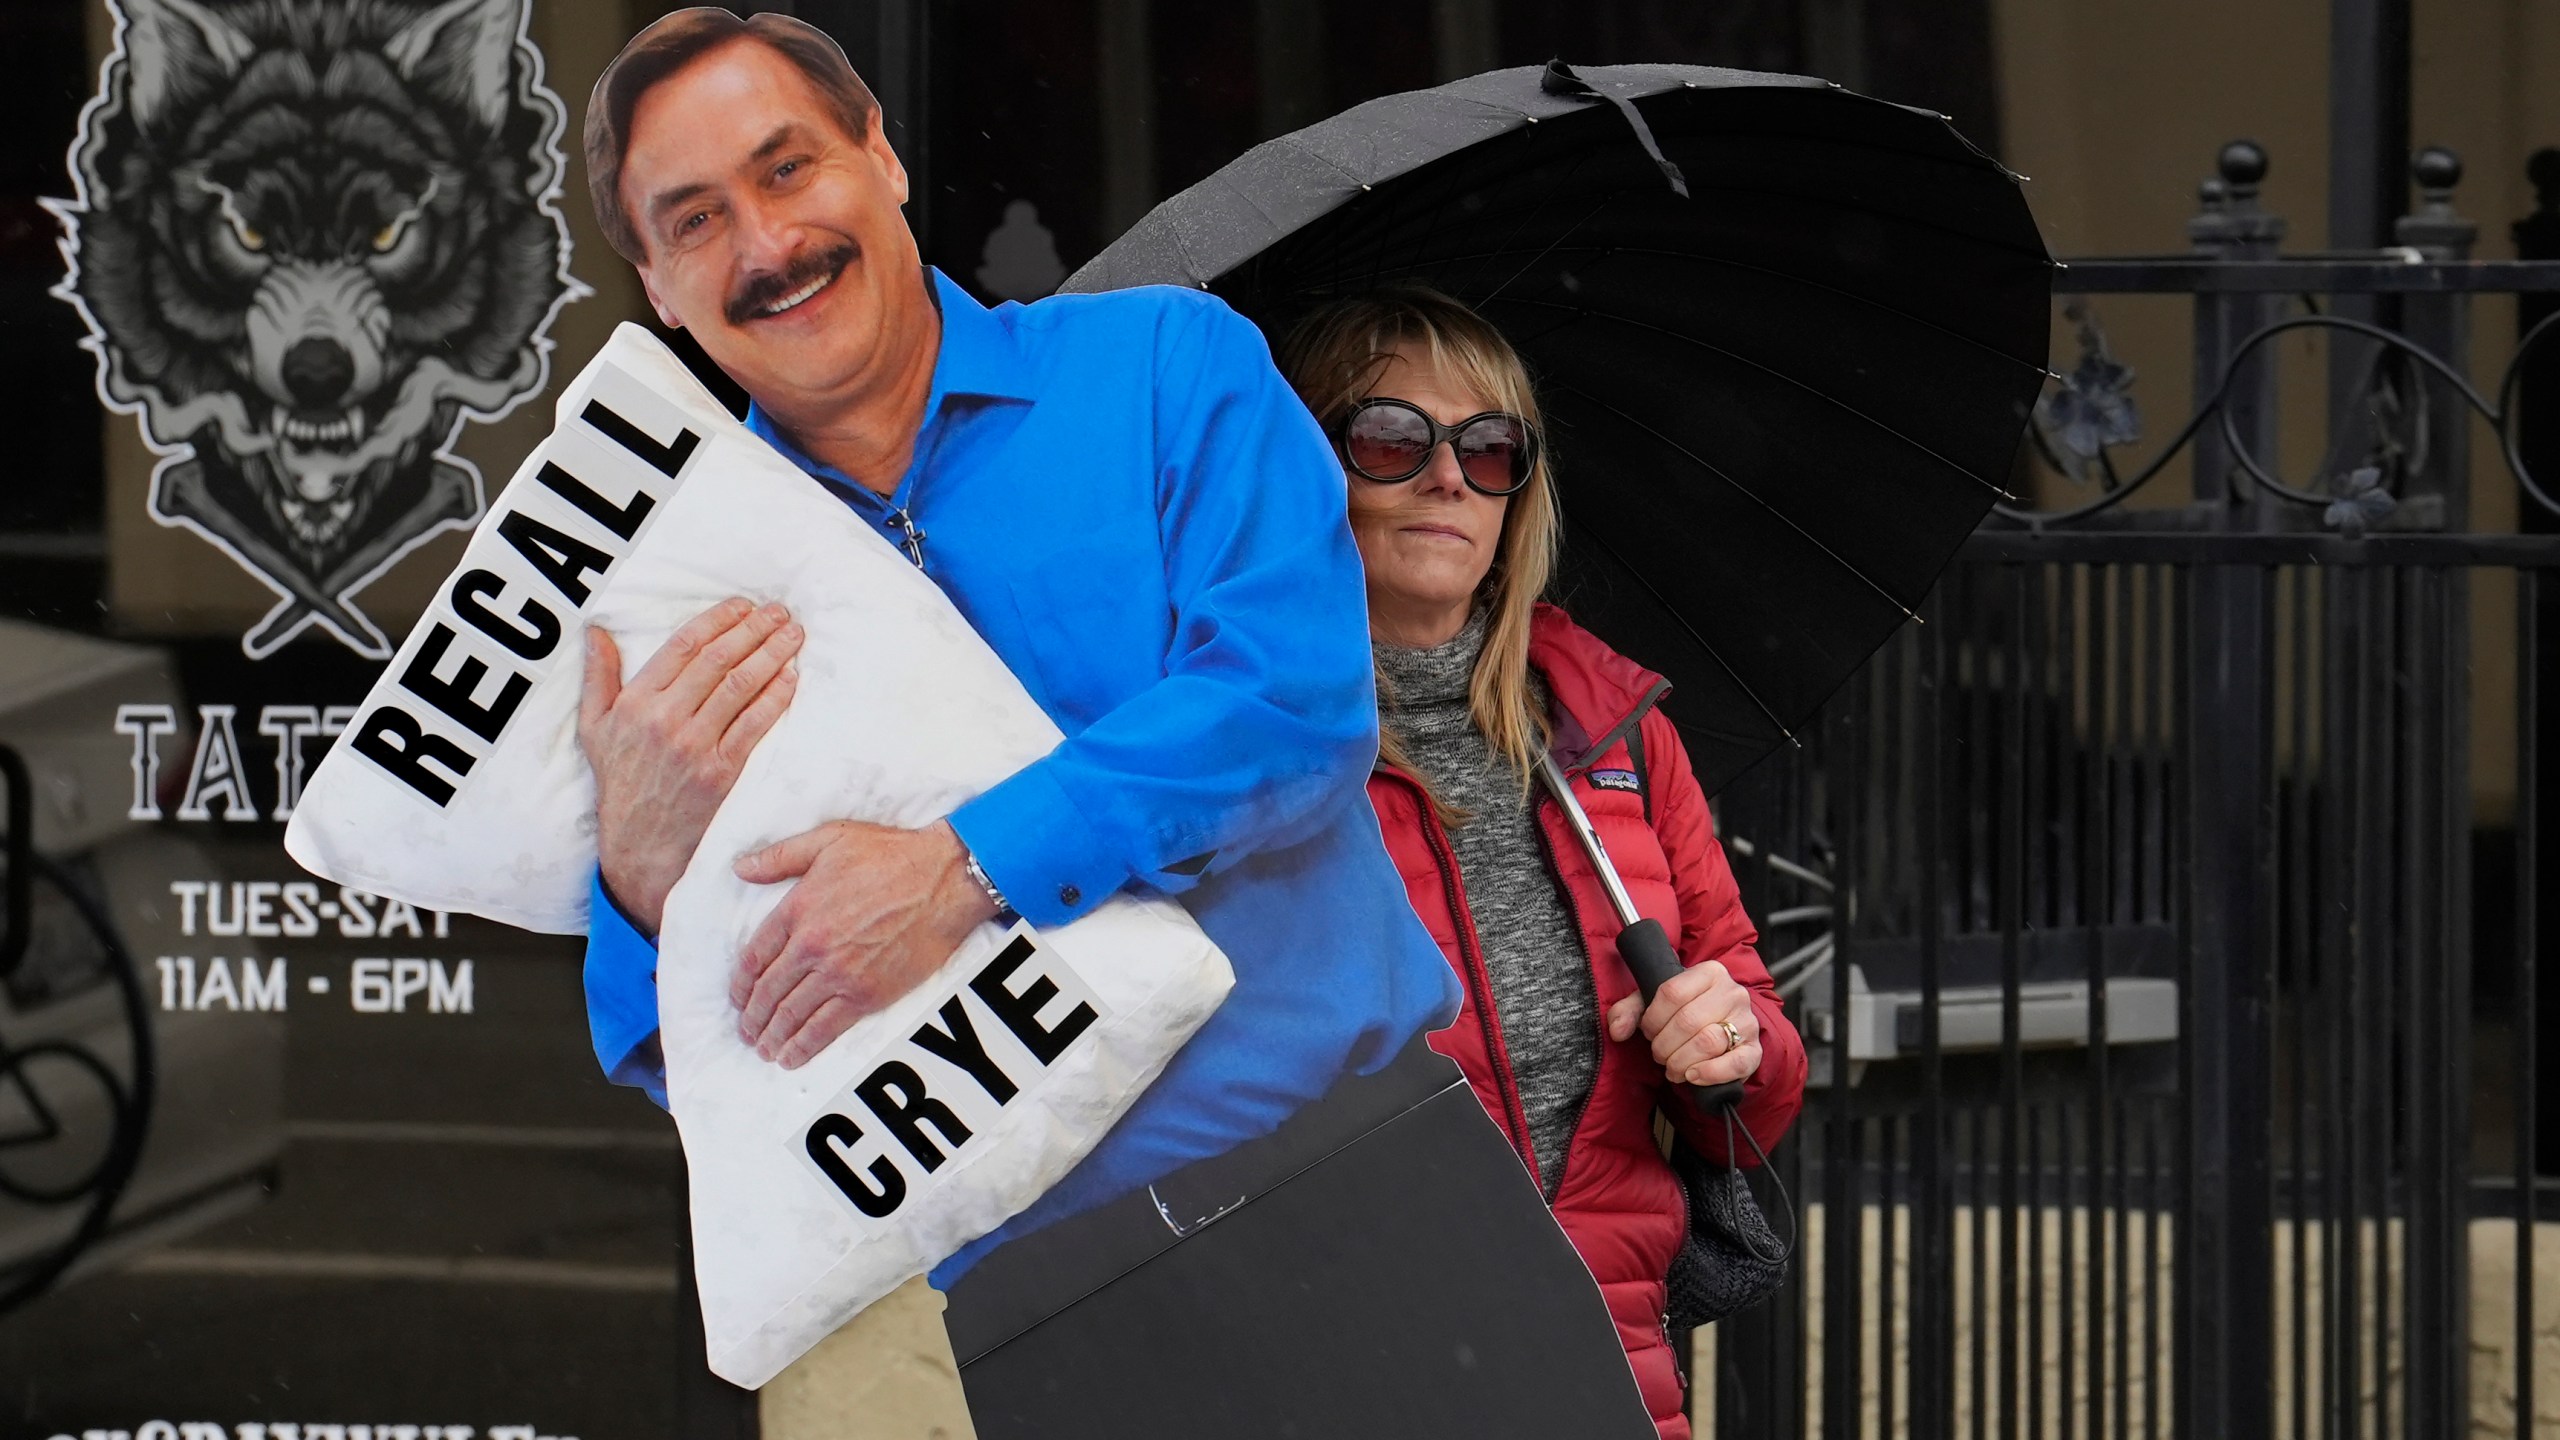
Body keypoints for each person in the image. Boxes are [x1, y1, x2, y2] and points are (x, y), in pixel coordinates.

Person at [569, 6, 1459, 1283]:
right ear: (657, 288)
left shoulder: (1162, 366)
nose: (766, 244)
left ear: (880, 155)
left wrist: (961, 871)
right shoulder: (673, 595)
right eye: (695, 219)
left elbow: (1290, 704)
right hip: (1041, 1303)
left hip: (1358, 1181)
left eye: (787, 167)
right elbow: (677, 1063)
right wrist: (645, 880)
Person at [1277, 287, 1810, 1440]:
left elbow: (1750, 1090)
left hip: (1607, 1372)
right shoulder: (1236, 751)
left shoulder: (1610, 735)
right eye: (1390, 437)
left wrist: (1731, 1044)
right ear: (1306, 464)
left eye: (1488, 447)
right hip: (1347, 1364)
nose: (1446, 479)